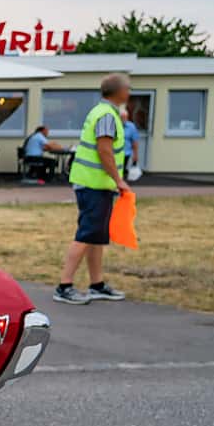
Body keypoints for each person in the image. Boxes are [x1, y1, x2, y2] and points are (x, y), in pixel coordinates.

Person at [56, 73, 132, 305]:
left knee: (96, 236)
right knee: (86, 233)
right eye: (127, 88)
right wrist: (119, 179)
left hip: (95, 183)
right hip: (93, 184)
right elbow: (104, 150)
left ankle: (96, 284)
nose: (129, 92)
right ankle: (64, 286)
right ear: (118, 92)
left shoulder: (103, 112)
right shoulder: (107, 116)